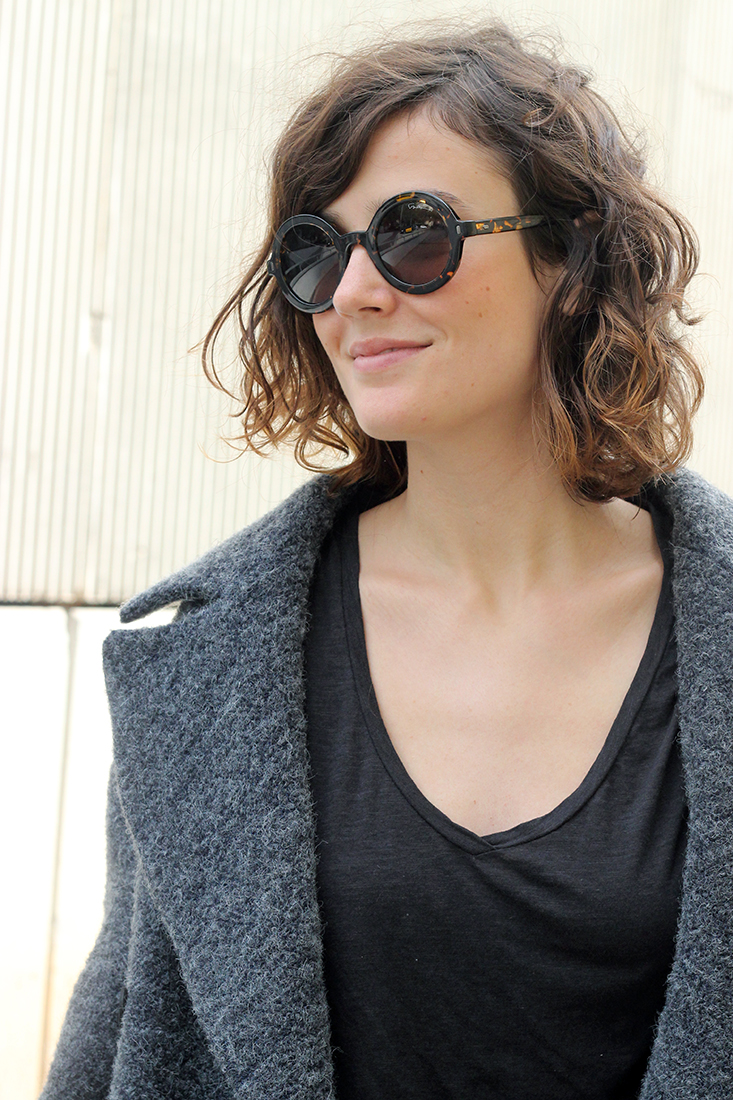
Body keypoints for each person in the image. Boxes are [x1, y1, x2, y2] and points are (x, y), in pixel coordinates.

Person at [41, 21, 733, 1100]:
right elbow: (121, 1040)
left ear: (571, 253)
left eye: (416, 234)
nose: (354, 291)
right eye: (316, 251)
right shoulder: (206, 661)